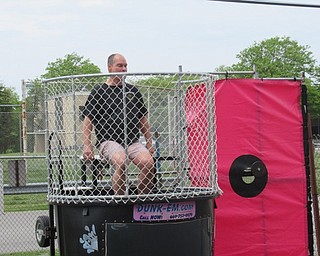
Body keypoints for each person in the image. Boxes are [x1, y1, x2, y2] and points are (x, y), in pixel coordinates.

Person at [82, 53, 155, 195]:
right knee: (121, 162)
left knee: (148, 163)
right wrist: (87, 144)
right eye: (119, 65)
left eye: (125, 66)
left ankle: (141, 200)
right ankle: (121, 201)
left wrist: (149, 142)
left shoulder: (132, 91)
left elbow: (143, 120)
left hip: (132, 141)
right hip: (109, 141)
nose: (123, 69)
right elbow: (88, 121)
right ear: (109, 68)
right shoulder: (99, 91)